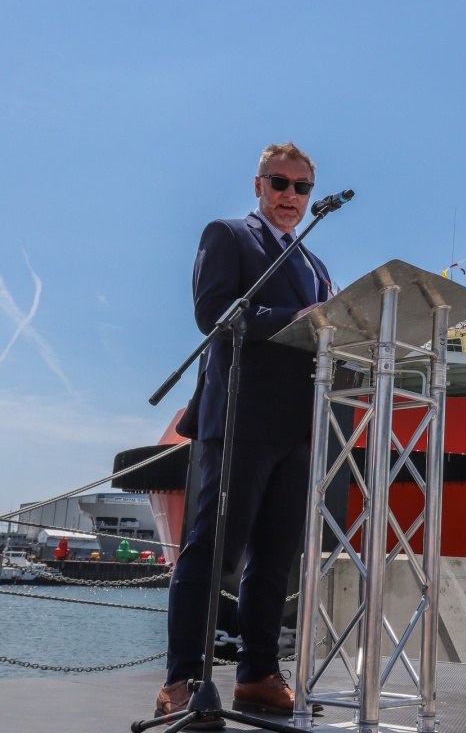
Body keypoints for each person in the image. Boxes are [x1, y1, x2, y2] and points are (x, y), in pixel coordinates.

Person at [156, 143, 332, 729]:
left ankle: (257, 675)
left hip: (299, 427)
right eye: (280, 183)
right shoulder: (228, 235)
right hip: (239, 419)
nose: (291, 196)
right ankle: (181, 680)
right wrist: (295, 320)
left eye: (301, 187)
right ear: (259, 185)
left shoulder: (314, 264)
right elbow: (213, 314)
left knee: (276, 559)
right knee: (212, 552)